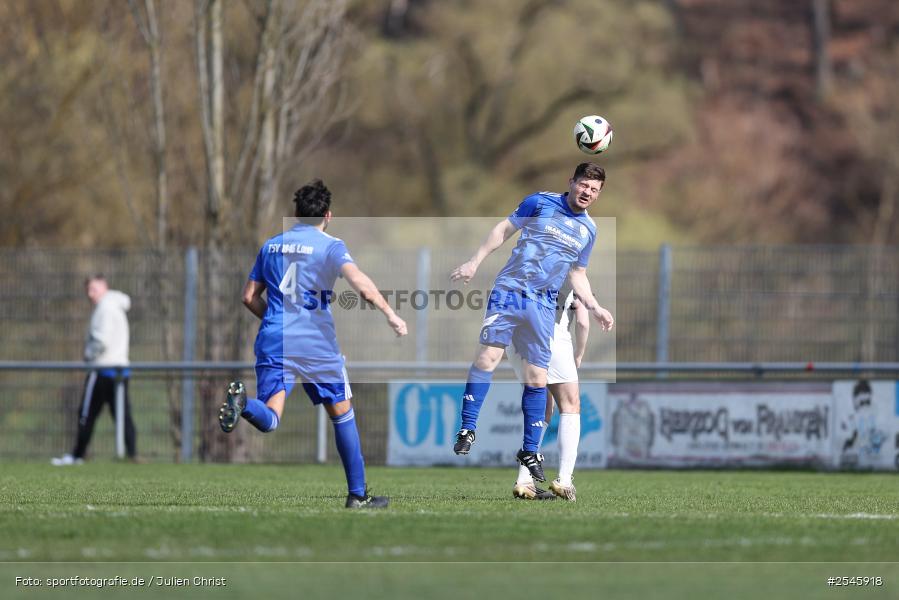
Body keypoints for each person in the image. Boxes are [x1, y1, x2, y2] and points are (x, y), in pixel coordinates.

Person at [219, 179, 407, 509]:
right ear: (328, 215)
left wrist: (275, 322)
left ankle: (245, 404)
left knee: (271, 417)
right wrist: (390, 313)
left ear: (296, 214)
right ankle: (357, 495)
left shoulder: (271, 246)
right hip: (315, 342)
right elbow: (360, 283)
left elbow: (248, 297)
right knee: (342, 413)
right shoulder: (330, 246)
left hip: (273, 338)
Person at [450, 162, 614, 484]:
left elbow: (577, 274)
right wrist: (474, 261)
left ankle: (529, 452)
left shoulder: (589, 230)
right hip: (510, 291)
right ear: (571, 182)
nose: (587, 193)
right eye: (583, 185)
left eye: (594, 190)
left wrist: (594, 306)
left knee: (538, 379)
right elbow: (503, 230)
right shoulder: (539, 202)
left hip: (543, 305)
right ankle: (468, 428)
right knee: (488, 357)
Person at [506, 281, 588, 501]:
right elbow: (583, 322)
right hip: (553, 338)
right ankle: (565, 480)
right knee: (571, 405)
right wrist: (579, 354)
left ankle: (524, 480)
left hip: (517, 341)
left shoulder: (528, 270)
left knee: (541, 408)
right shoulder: (572, 274)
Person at [52, 275, 137, 465]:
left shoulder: (104, 308)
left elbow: (101, 340)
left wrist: (88, 354)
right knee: (122, 415)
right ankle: (132, 455)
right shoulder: (116, 305)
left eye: (94, 289)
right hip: (120, 369)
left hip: (102, 370)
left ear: (104, 286)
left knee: (86, 413)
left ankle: (77, 455)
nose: (90, 294)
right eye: (88, 290)